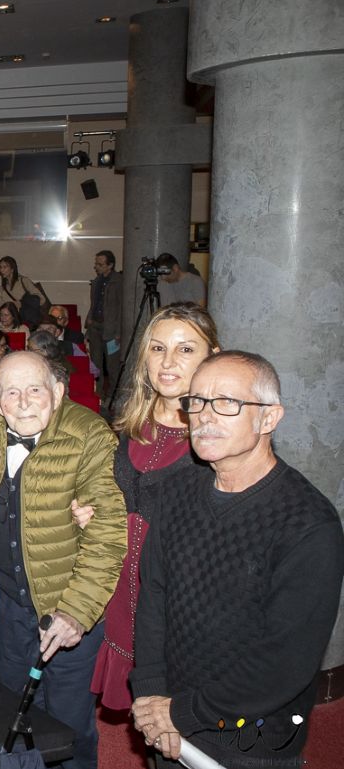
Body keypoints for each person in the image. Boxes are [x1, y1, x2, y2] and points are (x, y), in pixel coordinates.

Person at [130, 351, 344, 769]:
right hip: (169, 720)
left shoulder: (308, 524)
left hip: (253, 741)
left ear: (269, 418)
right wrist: (152, 694)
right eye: (197, 401)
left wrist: (180, 712)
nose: (204, 417)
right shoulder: (176, 489)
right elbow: (152, 596)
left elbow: (283, 664)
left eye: (226, 403)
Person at [0, 351, 126, 769]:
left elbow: (107, 535)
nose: (23, 402)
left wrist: (76, 612)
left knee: (68, 725)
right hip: (8, 602)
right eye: (11, 392)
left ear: (58, 393)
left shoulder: (89, 435)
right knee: (16, 712)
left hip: (67, 605)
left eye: (35, 390)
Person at [71, 304, 219, 713]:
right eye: (157, 348)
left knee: (178, 734)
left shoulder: (216, 436)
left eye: (185, 349)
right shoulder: (129, 422)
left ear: (212, 355)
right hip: (119, 592)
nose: (168, 362)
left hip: (177, 604)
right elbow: (116, 499)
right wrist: (92, 513)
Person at [86, 250, 124, 406]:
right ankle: (98, 394)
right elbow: (94, 304)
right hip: (95, 327)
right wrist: (89, 321)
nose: (96, 267)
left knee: (112, 366)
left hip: (111, 330)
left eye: (100, 264)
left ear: (110, 265)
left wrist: (118, 332)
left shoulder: (119, 282)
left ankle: (113, 396)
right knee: (95, 364)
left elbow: (122, 308)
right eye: (96, 263)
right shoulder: (96, 282)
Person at [0, 256, 48, 326]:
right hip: (11, 323)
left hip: (27, 321)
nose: (1, 270)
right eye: (0, 267)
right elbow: (3, 307)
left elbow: (42, 299)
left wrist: (22, 304)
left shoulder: (24, 281)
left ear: (12, 269)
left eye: (4, 267)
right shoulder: (2, 288)